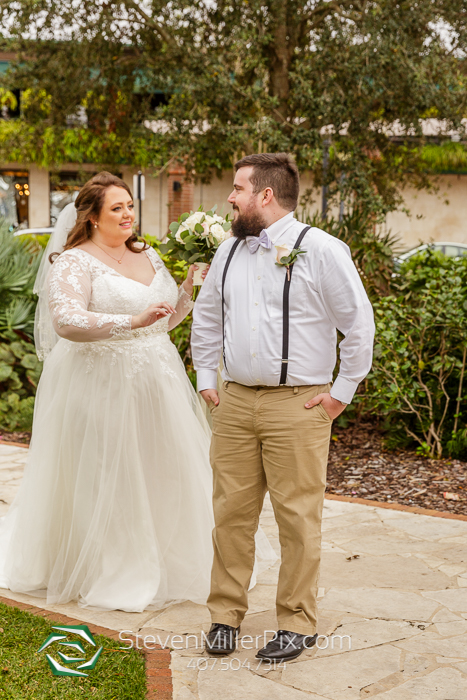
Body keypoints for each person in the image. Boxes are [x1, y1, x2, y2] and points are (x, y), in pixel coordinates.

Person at [0, 171, 275, 612]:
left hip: (158, 379)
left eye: (130, 206)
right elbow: (66, 322)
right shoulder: (74, 262)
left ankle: (173, 559)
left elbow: (163, 319)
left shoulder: (146, 253)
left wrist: (186, 290)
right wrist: (130, 322)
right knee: (108, 471)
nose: (128, 215)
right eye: (117, 208)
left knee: (161, 467)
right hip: (101, 383)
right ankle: (115, 567)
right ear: (91, 216)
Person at [192, 153, 375, 660]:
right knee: (230, 515)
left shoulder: (320, 249)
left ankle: (296, 621)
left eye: (237, 188)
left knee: (296, 517)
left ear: (265, 195)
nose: (229, 198)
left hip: (298, 404)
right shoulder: (229, 250)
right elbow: (208, 318)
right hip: (235, 402)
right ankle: (225, 615)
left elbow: (359, 324)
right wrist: (208, 376)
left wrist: (342, 391)